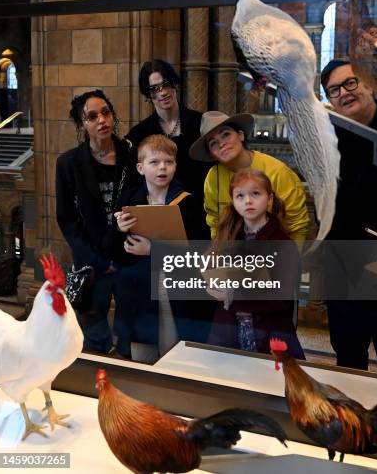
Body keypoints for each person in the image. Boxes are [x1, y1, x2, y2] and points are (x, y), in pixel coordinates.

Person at [321, 58, 377, 375]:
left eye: (350, 82)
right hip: (345, 268)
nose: (343, 93)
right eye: (334, 90)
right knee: (348, 361)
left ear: (369, 84)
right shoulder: (328, 138)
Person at [55, 89, 140, 358]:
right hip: (92, 263)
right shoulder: (68, 163)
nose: (101, 119)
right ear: (83, 125)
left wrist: (121, 256)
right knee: (93, 338)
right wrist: (97, 261)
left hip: (128, 259)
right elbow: (67, 219)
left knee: (130, 337)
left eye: (105, 112)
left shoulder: (132, 156)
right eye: (92, 116)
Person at [115, 135, 216, 346]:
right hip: (140, 289)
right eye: (155, 162)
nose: (163, 168)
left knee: (173, 345)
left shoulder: (188, 203)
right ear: (140, 168)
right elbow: (116, 250)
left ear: (175, 166)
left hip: (176, 288)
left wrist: (153, 249)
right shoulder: (129, 199)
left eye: (168, 162)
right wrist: (119, 229)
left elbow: (200, 251)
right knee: (143, 350)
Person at [208, 169, 304, 358]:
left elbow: (282, 299)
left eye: (256, 194)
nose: (248, 201)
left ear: (269, 198)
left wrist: (235, 294)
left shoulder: (282, 243)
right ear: (233, 202)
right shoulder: (228, 237)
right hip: (229, 328)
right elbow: (214, 275)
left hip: (268, 330)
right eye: (240, 196)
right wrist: (214, 288)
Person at [189, 111, 310, 244]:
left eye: (226, 134)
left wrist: (290, 261)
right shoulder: (213, 177)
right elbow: (215, 222)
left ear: (241, 135)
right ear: (211, 154)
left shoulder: (278, 172)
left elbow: (297, 226)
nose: (222, 144)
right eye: (213, 143)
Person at [126, 59, 211, 210]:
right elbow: (134, 181)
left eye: (166, 84)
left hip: (200, 209)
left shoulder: (201, 123)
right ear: (148, 94)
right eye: (154, 89)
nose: (163, 92)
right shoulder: (139, 134)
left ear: (174, 83)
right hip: (159, 212)